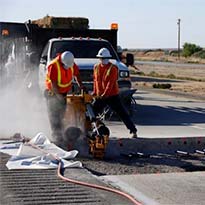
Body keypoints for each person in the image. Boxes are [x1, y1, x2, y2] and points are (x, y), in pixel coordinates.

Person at [92, 48, 137, 138]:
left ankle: (133, 130)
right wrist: (95, 92)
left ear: (108, 58)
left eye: (105, 58)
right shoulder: (96, 67)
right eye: (102, 58)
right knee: (91, 113)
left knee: (122, 113)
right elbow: (96, 81)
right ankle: (91, 129)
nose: (103, 60)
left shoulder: (113, 68)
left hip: (112, 96)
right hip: (100, 96)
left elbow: (110, 83)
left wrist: (105, 94)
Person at [44, 51, 84, 143]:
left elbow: (77, 74)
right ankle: (57, 136)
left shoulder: (70, 63)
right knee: (54, 114)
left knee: (61, 113)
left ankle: (61, 132)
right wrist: (58, 96)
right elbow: (53, 83)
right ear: (62, 62)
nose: (67, 68)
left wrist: (81, 85)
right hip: (53, 93)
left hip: (63, 93)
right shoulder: (53, 65)